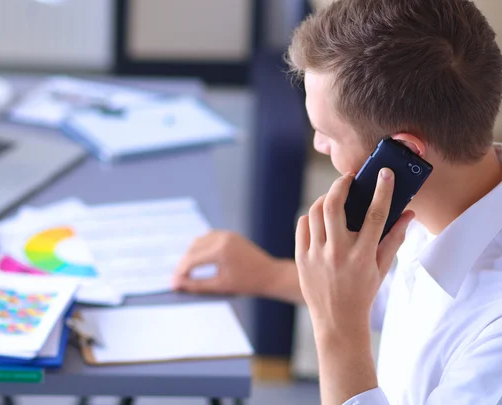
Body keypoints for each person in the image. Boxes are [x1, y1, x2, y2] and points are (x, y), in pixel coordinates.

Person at [172, 0, 502, 404]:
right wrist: (267, 274)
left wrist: (337, 332)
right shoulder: (437, 203)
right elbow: (401, 293)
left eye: (327, 132)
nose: (317, 144)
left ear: (402, 157)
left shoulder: (493, 344)